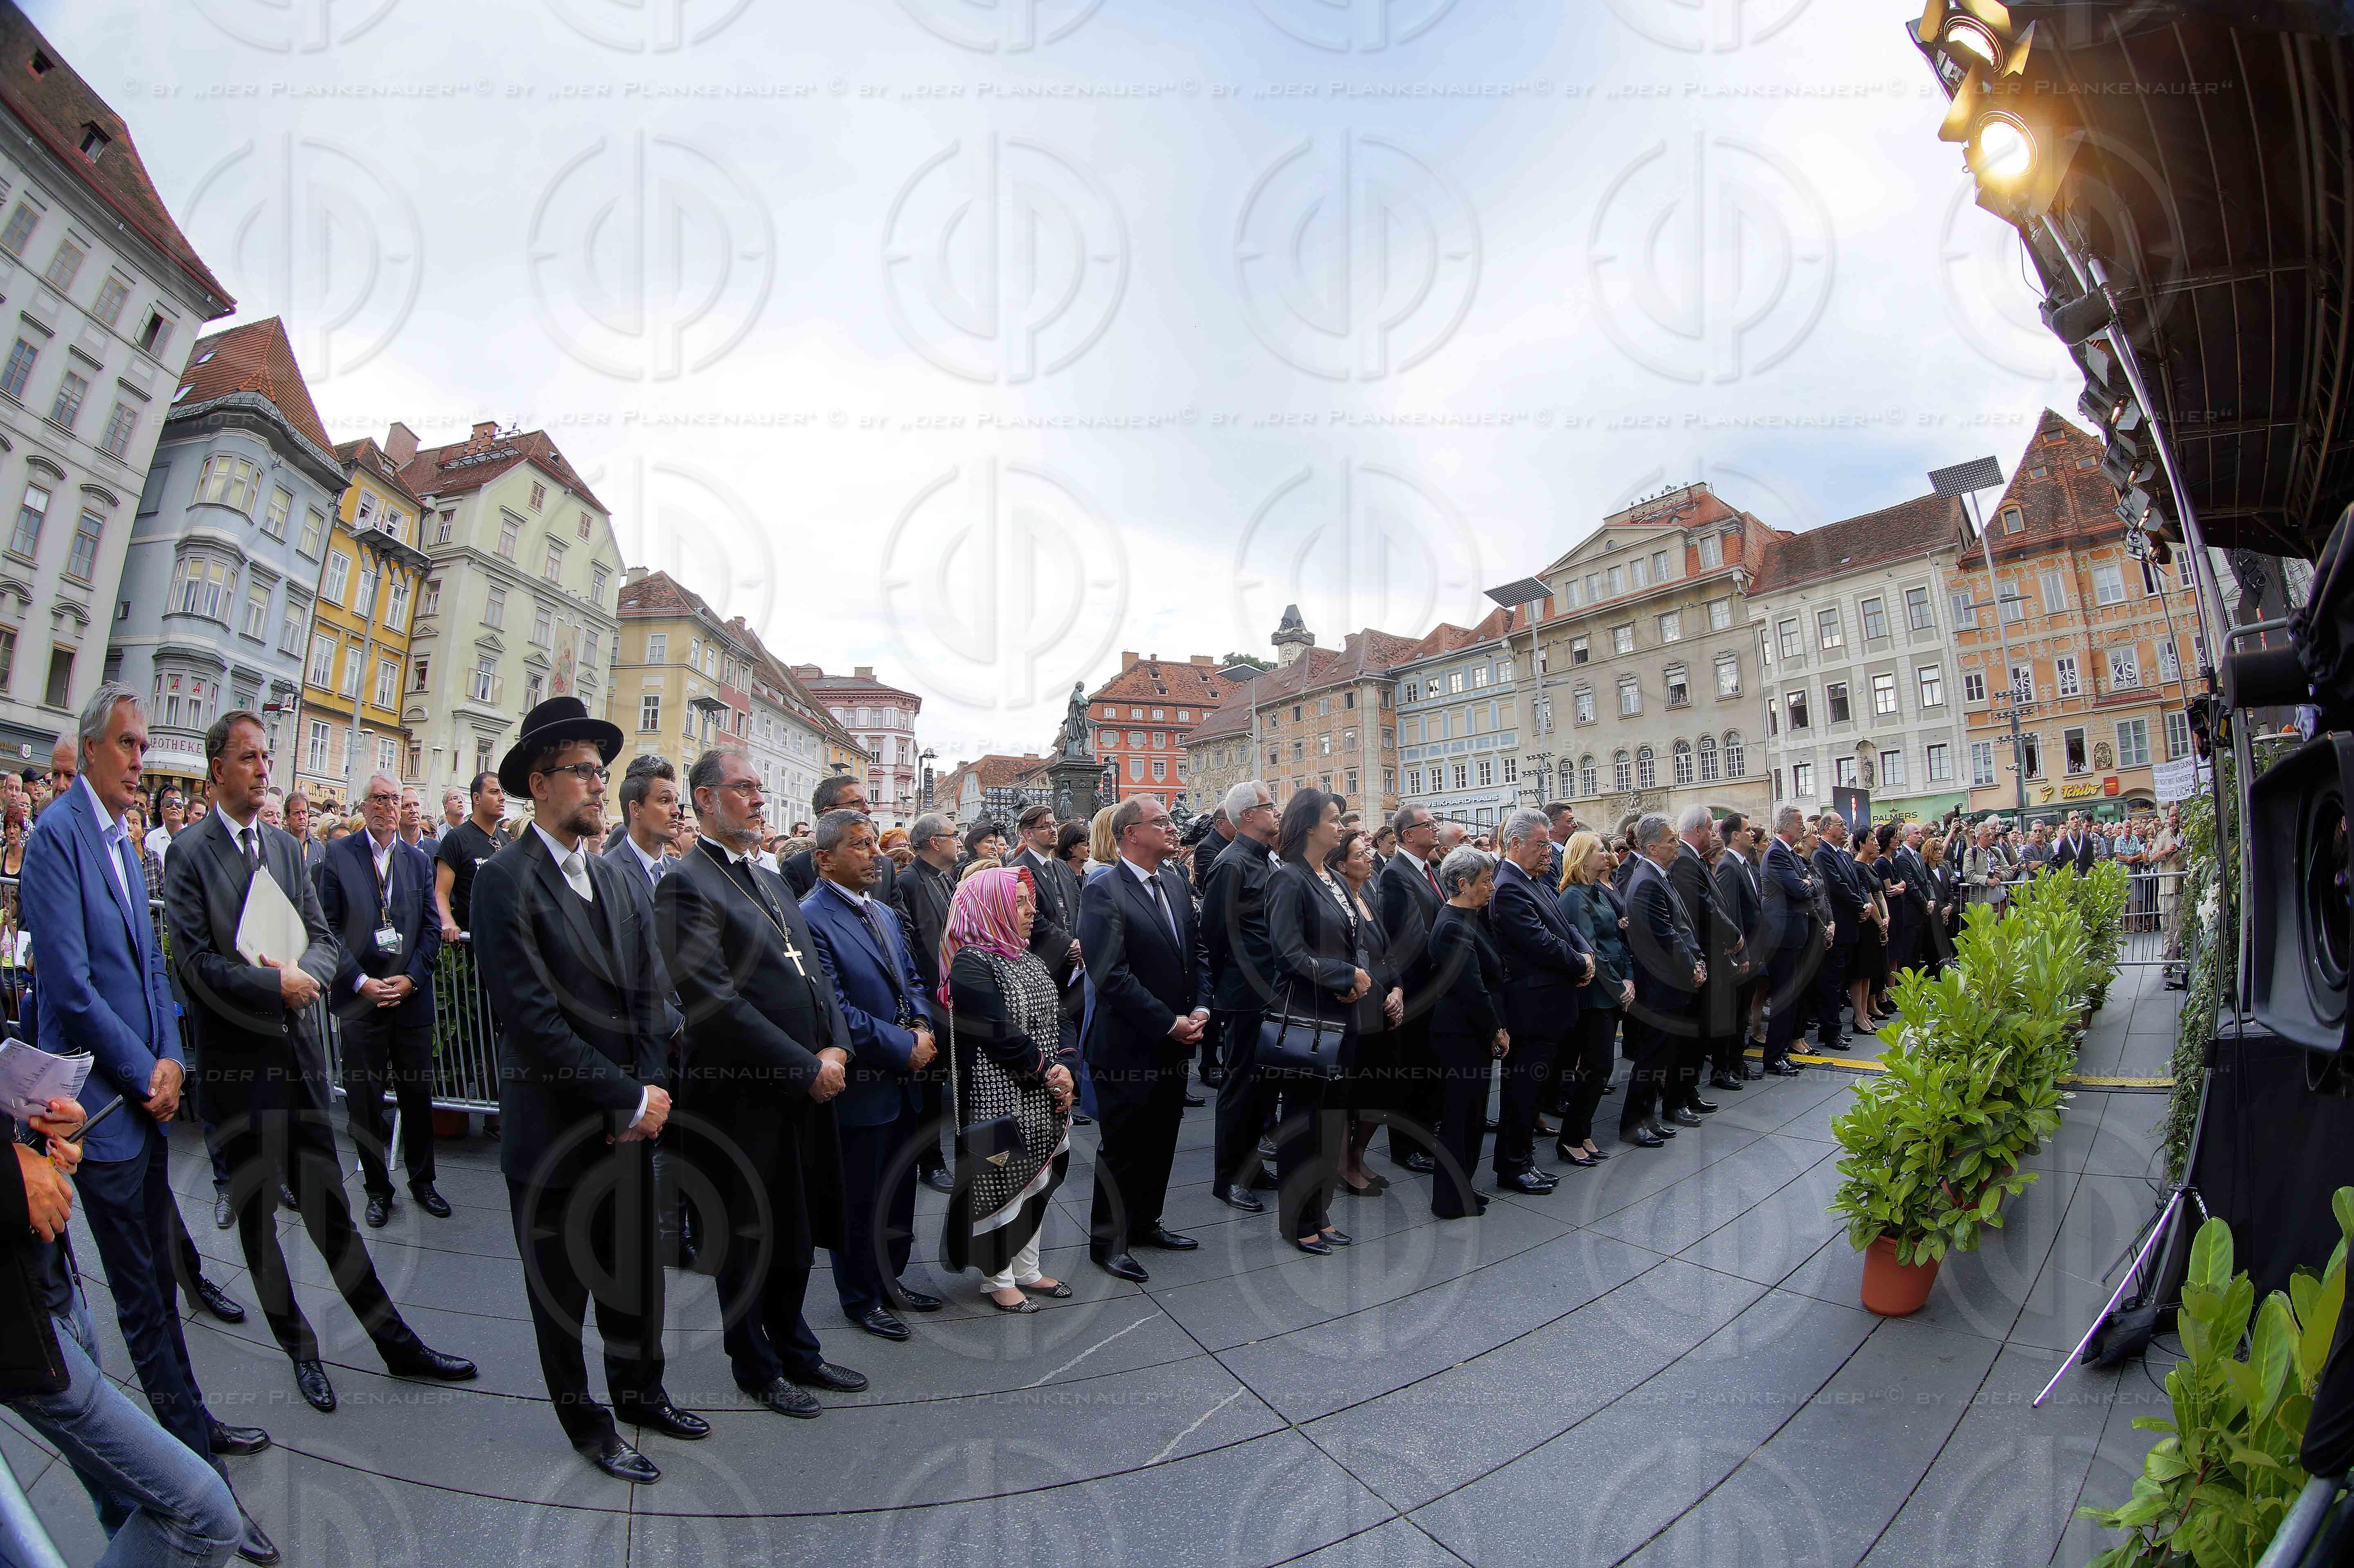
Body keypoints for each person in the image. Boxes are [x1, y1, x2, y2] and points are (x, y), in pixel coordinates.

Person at [23, 686, 278, 1564]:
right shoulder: (58, 836)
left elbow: (151, 962)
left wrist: (171, 1058)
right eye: (129, 744)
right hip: (95, 1113)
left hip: (145, 1099)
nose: (141, 759)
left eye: (142, 745)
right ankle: (196, 1482)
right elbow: (69, 989)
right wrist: (144, 1071)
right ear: (93, 747)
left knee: (162, 1290)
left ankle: (192, 1425)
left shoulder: (122, 836)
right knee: (138, 1300)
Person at [168, 712, 476, 1422]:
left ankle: (396, 1344)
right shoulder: (188, 852)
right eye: (249, 757)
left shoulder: (285, 846)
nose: (263, 768)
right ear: (217, 769)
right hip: (236, 1071)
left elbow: (322, 937)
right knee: (258, 1221)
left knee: (330, 1211)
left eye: (266, 756)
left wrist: (305, 971)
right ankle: (300, 1348)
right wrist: (272, 983)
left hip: (298, 1061)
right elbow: (194, 965)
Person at [471, 697, 704, 1484]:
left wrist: (647, 1092)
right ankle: (587, 1424)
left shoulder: (611, 879)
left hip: (627, 1126)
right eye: (581, 771)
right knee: (562, 1295)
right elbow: (532, 1020)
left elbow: (650, 995)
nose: (598, 784)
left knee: (634, 1276)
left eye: (602, 772)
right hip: (555, 1135)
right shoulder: (504, 881)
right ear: (539, 784)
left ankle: (642, 1392)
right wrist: (625, 1100)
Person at [655, 748, 866, 1419]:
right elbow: (713, 1002)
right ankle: (755, 1365)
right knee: (747, 1237)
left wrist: (836, 1045)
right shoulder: (685, 884)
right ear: (704, 798)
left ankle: (797, 1348)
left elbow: (816, 976)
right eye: (743, 787)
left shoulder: (769, 879)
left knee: (796, 1230)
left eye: (758, 787)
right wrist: (807, 1067)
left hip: (803, 1088)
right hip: (739, 1096)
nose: (758, 797)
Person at [4, 1092, 247, 1568]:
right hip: (23, 1327)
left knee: (123, 1498)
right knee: (206, 1516)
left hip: (55, 1281)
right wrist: (11, 1174)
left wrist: (38, 1135)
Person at [797, 808, 943, 1340]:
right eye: (859, 845)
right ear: (824, 858)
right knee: (861, 1198)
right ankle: (860, 1296)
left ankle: (890, 1280)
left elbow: (913, 980)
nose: (874, 854)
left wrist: (922, 1027)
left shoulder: (879, 910)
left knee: (900, 1189)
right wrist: (904, 1047)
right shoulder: (810, 917)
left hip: (906, 1079)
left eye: (873, 843)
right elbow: (834, 1011)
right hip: (863, 1085)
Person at [938, 866, 1077, 1311]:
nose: (1031, 909)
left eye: (1028, 900)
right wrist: (1049, 1070)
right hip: (997, 1099)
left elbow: (1062, 1016)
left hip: (1043, 1094)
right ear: (991, 907)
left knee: (1039, 1180)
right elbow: (998, 1033)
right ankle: (997, 1278)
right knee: (1001, 1186)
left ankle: (1027, 1269)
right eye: (1018, 901)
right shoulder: (971, 962)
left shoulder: (1027, 957)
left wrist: (1068, 1066)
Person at [1078, 796, 1204, 1281]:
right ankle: (1109, 1241)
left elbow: (1196, 953)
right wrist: (1168, 1021)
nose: (1173, 828)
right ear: (1131, 833)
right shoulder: (1103, 889)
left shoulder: (1173, 881)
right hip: (1127, 1043)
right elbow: (1110, 973)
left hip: (1176, 1038)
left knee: (1162, 1138)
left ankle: (1147, 1221)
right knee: (1124, 1145)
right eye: (1161, 822)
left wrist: (1201, 1007)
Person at [318, 772, 448, 1227]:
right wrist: (359, 981)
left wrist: (412, 979)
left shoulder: (419, 860)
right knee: (364, 1101)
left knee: (417, 1096)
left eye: (394, 799)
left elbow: (431, 928)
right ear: (364, 804)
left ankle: (423, 1181)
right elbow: (328, 928)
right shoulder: (338, 854)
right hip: (361, 1000)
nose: (387, 806)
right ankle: (377, 1190)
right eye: (378, 798)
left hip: (410, 999)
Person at [1260, 790, 1369, 1253]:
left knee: (1331, 1123)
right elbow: (1288, 954)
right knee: (1303, 1122)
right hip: (1309, 1019)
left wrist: (1356, 976)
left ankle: (1320, 1214)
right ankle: (1297, 1221)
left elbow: (1354, 940)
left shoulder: (1334, 877)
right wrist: (1344, 976)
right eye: (1333, 819)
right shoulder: (1288, 879)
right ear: (1309, 826)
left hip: (1344, 1014)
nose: (1341, 826)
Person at [603, 756, 691, 1260]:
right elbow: (624, 969)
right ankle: (653, 1239)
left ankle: (676, 1234)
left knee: (683, 1136)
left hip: (687, 1028)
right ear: (635, 809)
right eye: (665, 800)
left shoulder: (676, 871)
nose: (676, 810)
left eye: (676, 800)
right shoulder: (608, 873)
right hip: (643, 1036)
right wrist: (675, 1022)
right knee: (648, 1139)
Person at [1488, 807, 1594, 1191]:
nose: (1549, 852)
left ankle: (1522, 1159)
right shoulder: (1509, 886)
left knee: (1532, 1092)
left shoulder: (1534, 881)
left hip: (1550, 1005)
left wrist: (1586, 954)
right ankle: (1513, 1166)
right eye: (1541, 844)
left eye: (1549, 844)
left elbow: (1567, 927)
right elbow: (1540, 942)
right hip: (1530, 1009)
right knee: (1522, 1093)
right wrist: (1579, 962)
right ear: (1515, 844)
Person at [1203, 781, 1281, 1212]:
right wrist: (1230, 985)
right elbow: (1214, 933)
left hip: (1269, 989)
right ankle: (1229, 1177)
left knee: (1263, 1086)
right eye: (1270, 805)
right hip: (1245, 991)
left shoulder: (1264, 859)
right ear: (1248, 815)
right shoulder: (1230, 863)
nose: (1277, 811)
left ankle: (1253, 1167)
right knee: (1240, 1085)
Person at [1425, 848, 1505, 1217]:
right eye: (1486, 881)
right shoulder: (1453, 925)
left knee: (1473, 1117)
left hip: (1471, 1033)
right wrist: (1496, 1029)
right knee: (1459, 1119)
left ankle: (1463, 1188)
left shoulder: (1468, 917)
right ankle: (1449, 1199)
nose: (1492, 887)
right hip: (1460, 1035)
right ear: (1463, 884)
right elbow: (1472, 987)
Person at [1620, 813, 1706, 1147]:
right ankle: (1634, 1123)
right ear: (1653, 848)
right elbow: (1665, 935)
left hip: (1669, 981)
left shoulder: (1657, 875)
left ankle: (1648, 1119)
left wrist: (1697, 959)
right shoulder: (1647, 881)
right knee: (1652, 1057)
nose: (1677, 846)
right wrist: (1692, 965)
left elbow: (1680, 927)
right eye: (1672, 840)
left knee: (1661, 1057)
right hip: (1659, 984)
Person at [1372, 804, 1445, 1175]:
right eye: (1428, 823)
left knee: (1429, 1066)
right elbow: (1413, 937)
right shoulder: (1395, 874)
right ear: (1408, 835)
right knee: (1409, 1068)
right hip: (1415, 986)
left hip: (1435, 985)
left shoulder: (1430, 870)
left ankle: (1426, 1132)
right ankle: (1405, 1147)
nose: (1436, 827)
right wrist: (1453, 956)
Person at [1330, 826, 1400, 1197]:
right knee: (1351, 1090)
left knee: (1380, 1089)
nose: (1370, 857)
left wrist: (1399, 989)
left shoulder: (1369, 891)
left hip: (1384, 1006)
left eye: (1368, 852)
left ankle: (1358, 1155)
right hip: (1357, 1009)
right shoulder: (1336, 900)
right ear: (1341, 865)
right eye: (1360, 854)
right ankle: (1343, 1163)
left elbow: (1387, 952)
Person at [1555, 831, 1629, 1167]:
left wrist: (1628, 978)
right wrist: (1620, 987)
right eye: (1600, 850)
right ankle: (1571, 1137)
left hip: (1609, 990)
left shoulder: (1596, 890)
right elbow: (1591, 950)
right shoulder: (1574, 896)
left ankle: (1582, 1133)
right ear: (1584, 858)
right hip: (1594, 995)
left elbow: (1616, 940)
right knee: (1597, 1067)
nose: (1607, 854)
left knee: (1599, 1067)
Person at [899, 812, 962, 1194]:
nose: (960, 840)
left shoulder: (943, 878)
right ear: (935, 841)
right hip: (929, 998)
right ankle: (929, 1161)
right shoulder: (909, 881)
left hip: (950, 995)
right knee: (928, 1086)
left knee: (941, 1082)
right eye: (954, 835)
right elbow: (914, 944)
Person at [1664, 806, 1731, 1119]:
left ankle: (1688, 1093)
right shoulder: (1686, 862)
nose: (1714, 835)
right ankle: (1677, 1100)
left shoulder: (1693, 859)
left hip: (1704, 957)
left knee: (1698, 1034)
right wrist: (1732, 936)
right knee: (1689, 1037)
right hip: (1696, 958)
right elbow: (1699, 910)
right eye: (1711, 829)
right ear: (1700, 829)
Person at [1758, 806, 1824, 1078]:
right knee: (1784, 998)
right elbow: (1799, 889)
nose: (1803, 827)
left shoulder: (1790, 854)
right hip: (1782, 936)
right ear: (1786, 826)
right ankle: (1774, 1057)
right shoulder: (1776, 854)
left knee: (1792, 997)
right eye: (1798, 822)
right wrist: (1807, 884)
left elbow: (1816, 883)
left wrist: (1809, 883)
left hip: (1794, 934)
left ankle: (1782, 1052)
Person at [781, 776, 900, 907]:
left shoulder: (885, 865)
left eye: (867, 802)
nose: (868, 809)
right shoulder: (798, 868)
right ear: (829, 814)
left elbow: (899, 917)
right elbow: (795, 917)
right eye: (856, 803)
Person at [1712, 813, 1765, 1088]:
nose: (1752, 834)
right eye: (1747, 830)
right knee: (1733, 1014)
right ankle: (1724, 1067)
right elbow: (1731, 914)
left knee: (1742, 1013)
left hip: (1753, 952)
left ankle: (1737, 1062)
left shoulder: (1744, 864)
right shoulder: (1729, 867)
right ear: (1735, 835)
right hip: (1740, 955)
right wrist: (1740, 954)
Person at [1809, 812, 1865, 1050]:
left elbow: (1856, 883)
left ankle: (1833, 1028)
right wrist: (1860, 905)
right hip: (1836, 926)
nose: (1844, 828)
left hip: (1850, 925)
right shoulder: (1822, 855)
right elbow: (1836, 887)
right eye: (1840, 824)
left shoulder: (1843, 854)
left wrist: (1864, 904)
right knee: (1831, 983)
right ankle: (1830, 1031)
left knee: (1841, 980)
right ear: (1826, 829)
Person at [433, 770, 507, 943]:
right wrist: (448, 922)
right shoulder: (456, 839)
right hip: (471, 940)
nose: (502, 798)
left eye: (503, 792)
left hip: (505, 938)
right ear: (477, 799)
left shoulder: (506, 839)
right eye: (494, 792)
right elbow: (441, 892)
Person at [1848, 828, 1890, 1035]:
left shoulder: (1871, 867)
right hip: (1867, 925)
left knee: (1869, 973)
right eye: (1872, 840)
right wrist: (1880, 922)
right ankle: (1859, 1016)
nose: (1876, 843)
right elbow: (1869, 897)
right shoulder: (1858, 867)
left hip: (1878, 923)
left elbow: (1880, 894)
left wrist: (1887, 917)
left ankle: (1865, 1013)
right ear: (1862, 844)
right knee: (1861, 972)